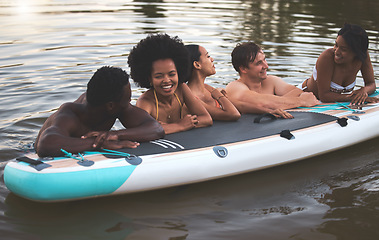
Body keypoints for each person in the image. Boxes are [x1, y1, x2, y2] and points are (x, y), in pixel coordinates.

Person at [34, 66, 165, 157]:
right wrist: (100, 144)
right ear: (111, 106)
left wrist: (116, 135)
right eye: (127, 99)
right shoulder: (70, 114)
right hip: (31, 150)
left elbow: (156, 129)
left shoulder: (117, 107)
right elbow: (45, 144)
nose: (129, 102)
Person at [128, 34, 213, 134]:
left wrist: (167, 127)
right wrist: (180, 125)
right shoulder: (145, 102)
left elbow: (207, 119)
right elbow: (141, 131)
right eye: (159, 76)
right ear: (149, 78)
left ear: (179, 72)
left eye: (171, 74)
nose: (167, 80)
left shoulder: (182, 88)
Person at [225, 42, 319, 118]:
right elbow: (262, 103)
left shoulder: (270, 81)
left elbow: (298, 92)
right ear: (243, 69)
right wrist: (302, 101)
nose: (266, 66)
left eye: (264, 60)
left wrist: (278, 103)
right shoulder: (234, 87)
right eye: (259, 63)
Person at [301, 23, 378, 105]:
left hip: (332, 106)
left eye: (343, 49)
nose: (336, 51)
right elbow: (324, 96)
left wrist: (363, 91)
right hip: (302, 99)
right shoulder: (327, 57)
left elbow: (371, 84)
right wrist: (352, 97)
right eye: (336, 45)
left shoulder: (362, 57)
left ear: (356, 52)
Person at [185, 44, 241, 121]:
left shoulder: (206, 87)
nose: (212, 59)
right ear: (197, 65)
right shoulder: (191, 98)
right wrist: (218, 95)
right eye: (208, 56)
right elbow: (233, 114)